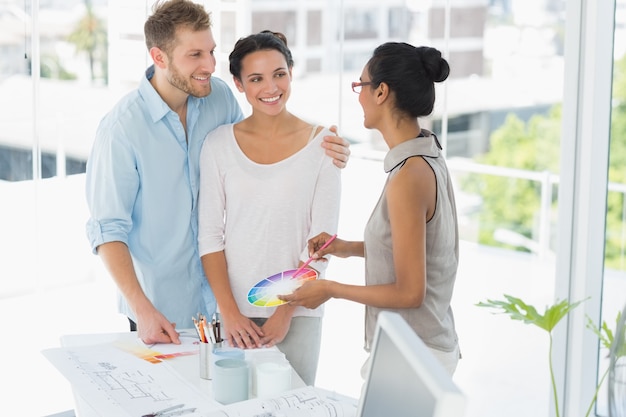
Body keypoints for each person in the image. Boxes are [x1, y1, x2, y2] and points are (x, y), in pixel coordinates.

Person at [85, 0, 350, 347]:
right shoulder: (121, 130)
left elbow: (255, 154)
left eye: (211, 51)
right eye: (195, 55)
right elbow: (107, 230)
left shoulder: (219, 98)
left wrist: (323, 148)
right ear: (159, 57)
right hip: (162, 311)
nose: (210, 65)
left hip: (230, 303)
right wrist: (142, 309)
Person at [280, 42, 461, 375]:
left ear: (381, 92)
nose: (358, 96)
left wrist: (330, 289)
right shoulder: (426, 155)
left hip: (414, 356)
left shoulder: (409, 175)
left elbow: (410, 292)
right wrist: (346, 248)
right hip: (419, 350)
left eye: (360, 85)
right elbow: (415, 250)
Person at [197, 30, 341, 386]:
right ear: (239, 84)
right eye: (256, 78)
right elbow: (210, 236)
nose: (270, 87)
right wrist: (229, 312)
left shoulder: (323, 145)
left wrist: (285, 310)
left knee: (295, 406)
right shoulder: (217, 145)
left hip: (299, 311)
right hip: (235, 314)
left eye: (279, 73)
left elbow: (322, 243)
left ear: (291, 71)